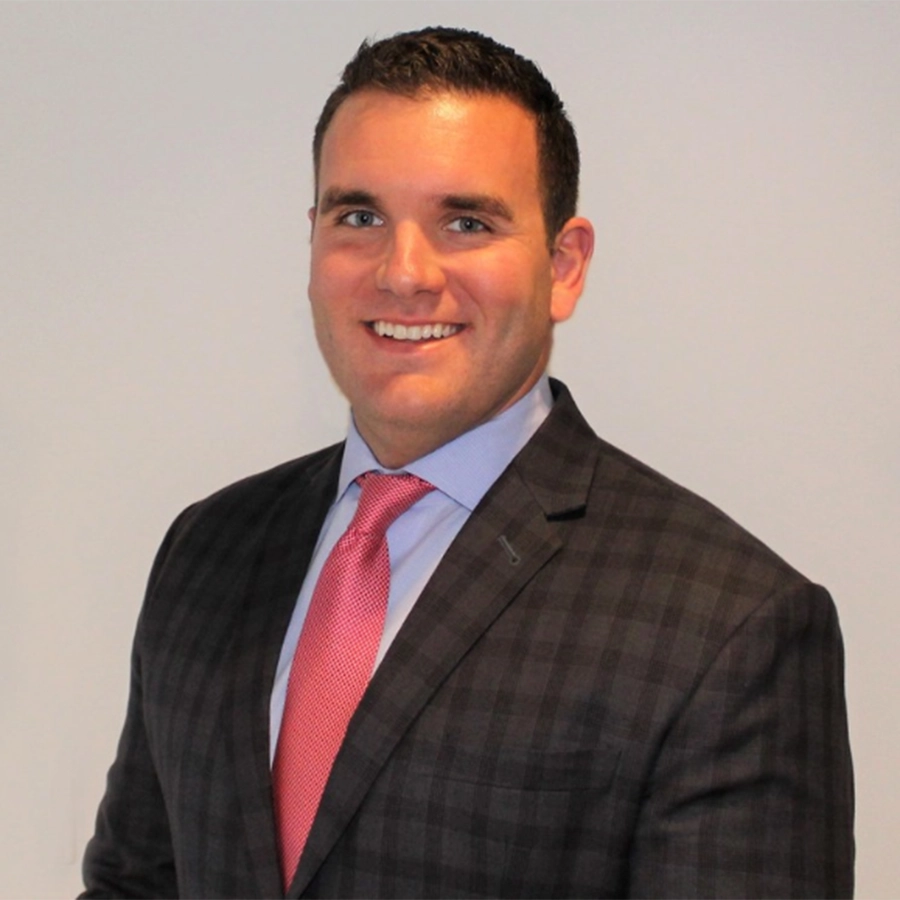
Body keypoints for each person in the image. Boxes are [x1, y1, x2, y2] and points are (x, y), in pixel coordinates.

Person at [80, 26, 854, 900]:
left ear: (563, 267)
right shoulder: (207, 550)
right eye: (360, 216)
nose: (404, 273)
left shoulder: (730, 626)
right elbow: (134, 884)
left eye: (467, 221)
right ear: (312, 244)